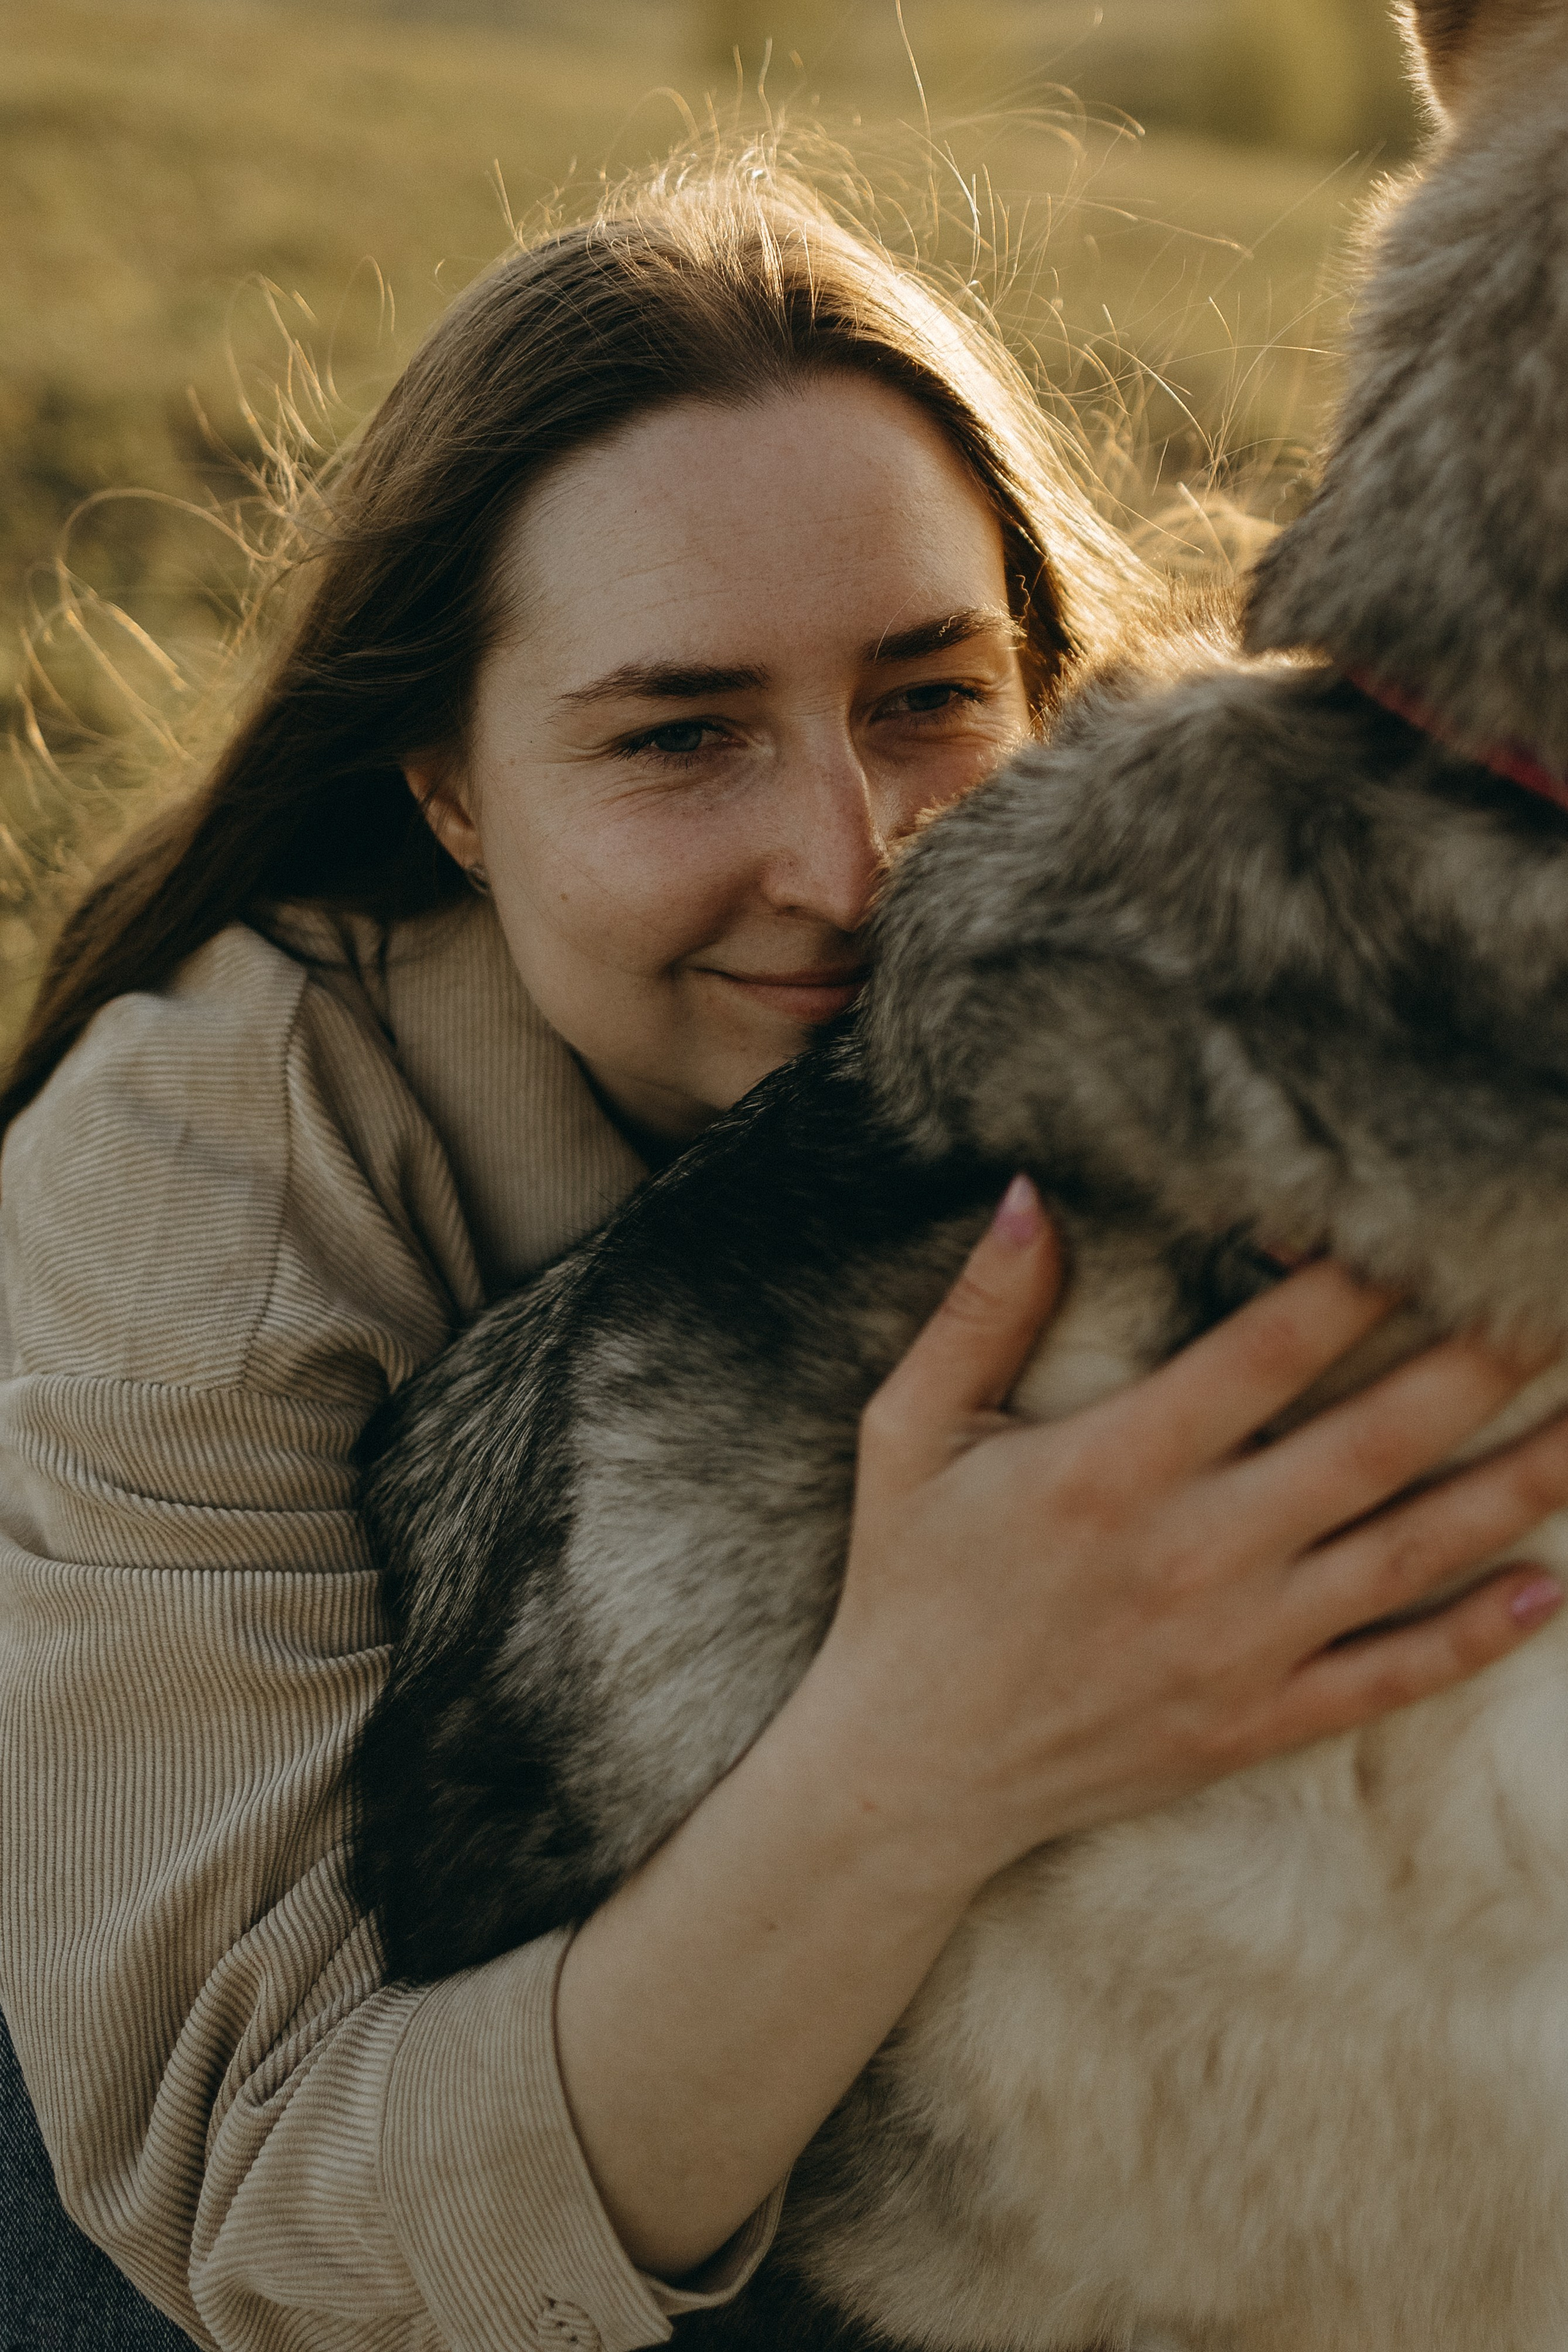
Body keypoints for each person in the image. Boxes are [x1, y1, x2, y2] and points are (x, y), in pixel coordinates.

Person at [4, 153, 1567, 2352]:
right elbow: (259, 2211)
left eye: (930, 697)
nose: (849, 867)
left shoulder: (1172, 1000)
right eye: (679, 737)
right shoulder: (192, 1199)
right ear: (449, 787)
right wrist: (933, 1744)